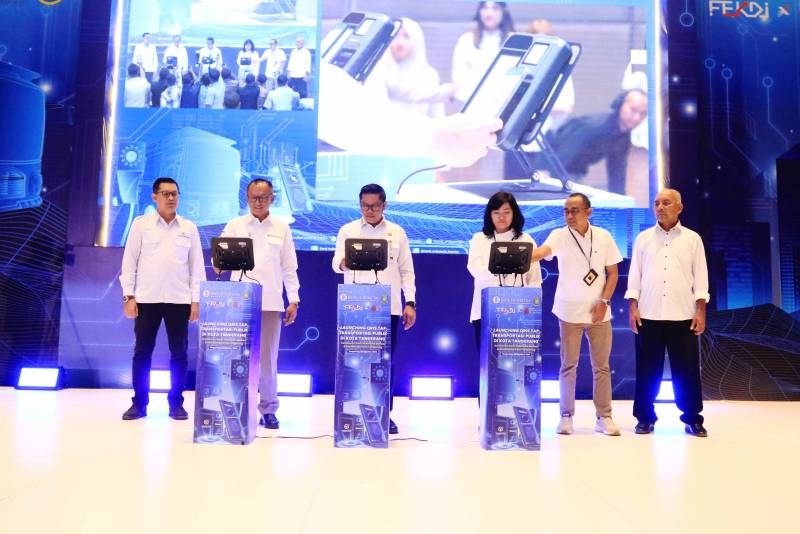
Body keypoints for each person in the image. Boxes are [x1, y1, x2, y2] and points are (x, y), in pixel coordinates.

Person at [528, 193, 623, 436]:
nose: (569, 215)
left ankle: (604, 416)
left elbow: (613, 273)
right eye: (566, 211)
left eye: (575, 210)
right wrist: (519, 256)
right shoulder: (559, 235)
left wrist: (604, 301)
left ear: (588, 212)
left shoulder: (603, 236)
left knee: (601, 367)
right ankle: (566, 416)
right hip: (569, 311)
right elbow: (542, 252)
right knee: (568, 365)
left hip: (599, 312)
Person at [332, 183, 416, 434]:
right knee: (353, 361)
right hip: (355, 306)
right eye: (365, 206)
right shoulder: (347, 230)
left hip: (387, 307)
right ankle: (352, 412)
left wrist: (410, 302)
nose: (369, 210)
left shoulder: (397, 232)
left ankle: (383, 413)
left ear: (384, 205)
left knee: (384, 363)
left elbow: (407, 271)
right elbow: (335, 264)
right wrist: (346, 262)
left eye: (375, 206)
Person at [119, 177, 205, 421]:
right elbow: (129, 261)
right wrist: (128, 295)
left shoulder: (189, 228)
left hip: (179, 300)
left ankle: (176, 403)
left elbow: (197, 266)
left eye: (174, 194)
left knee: (179, 353)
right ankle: (139, 404)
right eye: (165, 194)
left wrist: (196, 300)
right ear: (154, 197)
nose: (171, 198)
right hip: (147, 298)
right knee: (142, 352)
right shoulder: (141, 225)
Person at [625, 188, 709, 437]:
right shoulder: (643, 238)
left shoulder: (692, 239)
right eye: (656, 203)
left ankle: (692, 418)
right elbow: (634, 275)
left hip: (683, 315)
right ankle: (644, 418)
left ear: (679, 208)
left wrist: (700, 310)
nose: (660, 207)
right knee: (647, 370)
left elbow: (701, 276)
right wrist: (633, 307)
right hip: (648, 314)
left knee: (687, 371)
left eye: (666, 203)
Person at [219, 179, 300, 429]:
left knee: (267, 360)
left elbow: (289, 267)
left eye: (263, 197)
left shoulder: (281, 228)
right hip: (238, 301)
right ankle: (235, 406)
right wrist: (219, 263)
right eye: (254, 197)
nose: (258, 202)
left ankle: (268, 408)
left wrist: (294, 299)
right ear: (247, 198)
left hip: (271, 302)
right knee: (235, 357)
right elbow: (218, 260)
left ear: (272, 199)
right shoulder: (235, 225)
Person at [318, 62, 502, 168]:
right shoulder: (381, 71)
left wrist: (443, 135)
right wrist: (445, 136)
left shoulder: (427, 73)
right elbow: (339, 108)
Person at [536, 89, 648, 195]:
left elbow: (616, 174)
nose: (636, 118)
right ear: (619, 105)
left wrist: (622, 204)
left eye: (642, 114)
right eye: (633, 110)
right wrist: (549, 182)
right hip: (547, 170)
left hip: (572, 173)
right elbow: (562, 155)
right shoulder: (593, 126)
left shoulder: (623, 137)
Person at [467, 192, 542, 350]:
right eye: (496, 212)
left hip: (520, 312)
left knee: (519, 360)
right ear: (490, 215)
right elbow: (475, 269)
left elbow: (534, 279)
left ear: (514, 213)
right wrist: (504, 267)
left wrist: (533, 309)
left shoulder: (526, 239)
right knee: (488, 361)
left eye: (506, 212)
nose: (502, 217)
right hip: (486, 311)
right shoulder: (479, 239)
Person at [365, 18, 455, 118]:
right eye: (395, 36)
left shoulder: (429, 75)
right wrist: (442, 93)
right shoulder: (377, 71)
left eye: (406, 36)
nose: (400, 43)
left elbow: (437, 117)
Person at [451, 1, 515, 104]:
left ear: (503, 12)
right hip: (469, 100)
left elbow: (516, 74)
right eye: (485, 8)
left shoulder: (513, 40)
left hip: (503, 101)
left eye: (495, 8)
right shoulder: (466, 39)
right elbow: (458, 76)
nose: (489, 13)